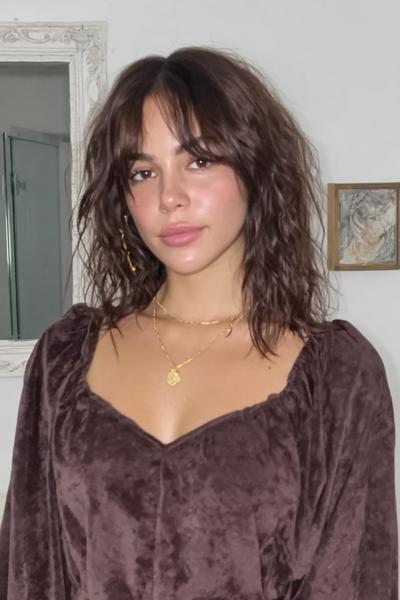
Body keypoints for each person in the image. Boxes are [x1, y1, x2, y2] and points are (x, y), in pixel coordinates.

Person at [0, 46, 397, 599]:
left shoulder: (336, 378)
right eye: (144, 172)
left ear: (255, 168)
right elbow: (30, 569)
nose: (170, 197)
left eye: (200, 161)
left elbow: (353, 580)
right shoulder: (65, 359)